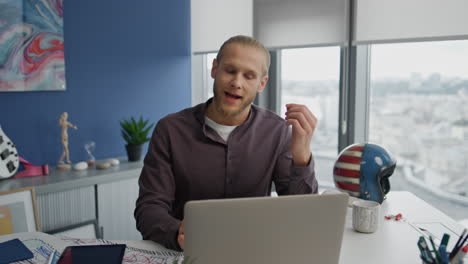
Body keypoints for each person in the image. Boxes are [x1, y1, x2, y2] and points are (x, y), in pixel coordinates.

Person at [134, 35, 318, 251]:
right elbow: (149, 208)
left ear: (261, 83)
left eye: (249, 76)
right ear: (214, 69)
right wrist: (177, 232)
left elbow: (302, 216)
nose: (236, 83)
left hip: (254, 251)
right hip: (187, 253)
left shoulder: (277, 131)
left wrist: (302, 156)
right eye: (230, 70)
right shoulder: (170, 130)